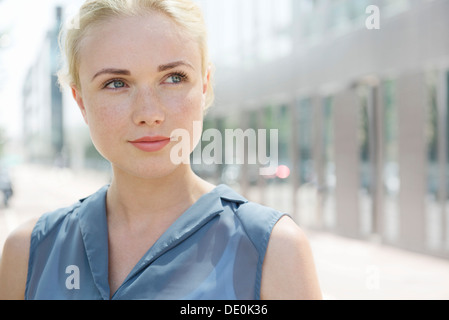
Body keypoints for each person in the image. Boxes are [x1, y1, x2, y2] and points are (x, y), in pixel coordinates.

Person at [0, 0, 322, 300]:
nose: (149, 112)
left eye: (173, 78)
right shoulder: (28, 254)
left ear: (205, 85)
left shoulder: (272, 251)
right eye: (116, 83)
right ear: (81, 101)